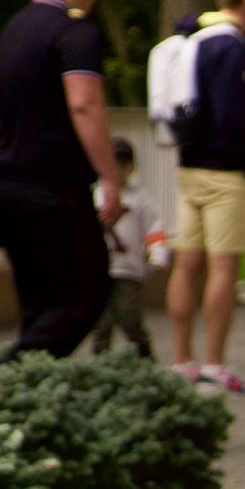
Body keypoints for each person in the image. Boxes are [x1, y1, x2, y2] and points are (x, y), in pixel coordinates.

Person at [0, 0, 117, 363]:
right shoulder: (75, 32)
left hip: (5, 183)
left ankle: (28, 399)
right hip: (52, 188)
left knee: (39, 301)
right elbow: (84, 102)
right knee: (88, 290)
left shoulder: (15, 27)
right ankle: (12, 369)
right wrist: (111, 177)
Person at [164, 0, 245, 394]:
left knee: (186, 264)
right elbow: (230, 114)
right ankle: (214, 363)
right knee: (222, 268)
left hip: (189, 165)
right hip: (226, 172)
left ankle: (180, 360)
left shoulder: (195, 38)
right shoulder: (231, 45)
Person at [89, 138, 168, 356]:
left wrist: (158, 254)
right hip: (99, 270)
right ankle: (100, 365)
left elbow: (154, 229)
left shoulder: (140, 199)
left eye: (122, 165)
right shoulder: (94, 195)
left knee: (129, 316)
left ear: (131, 167)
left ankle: (144, 354)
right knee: (101, 322)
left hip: (129, 270)